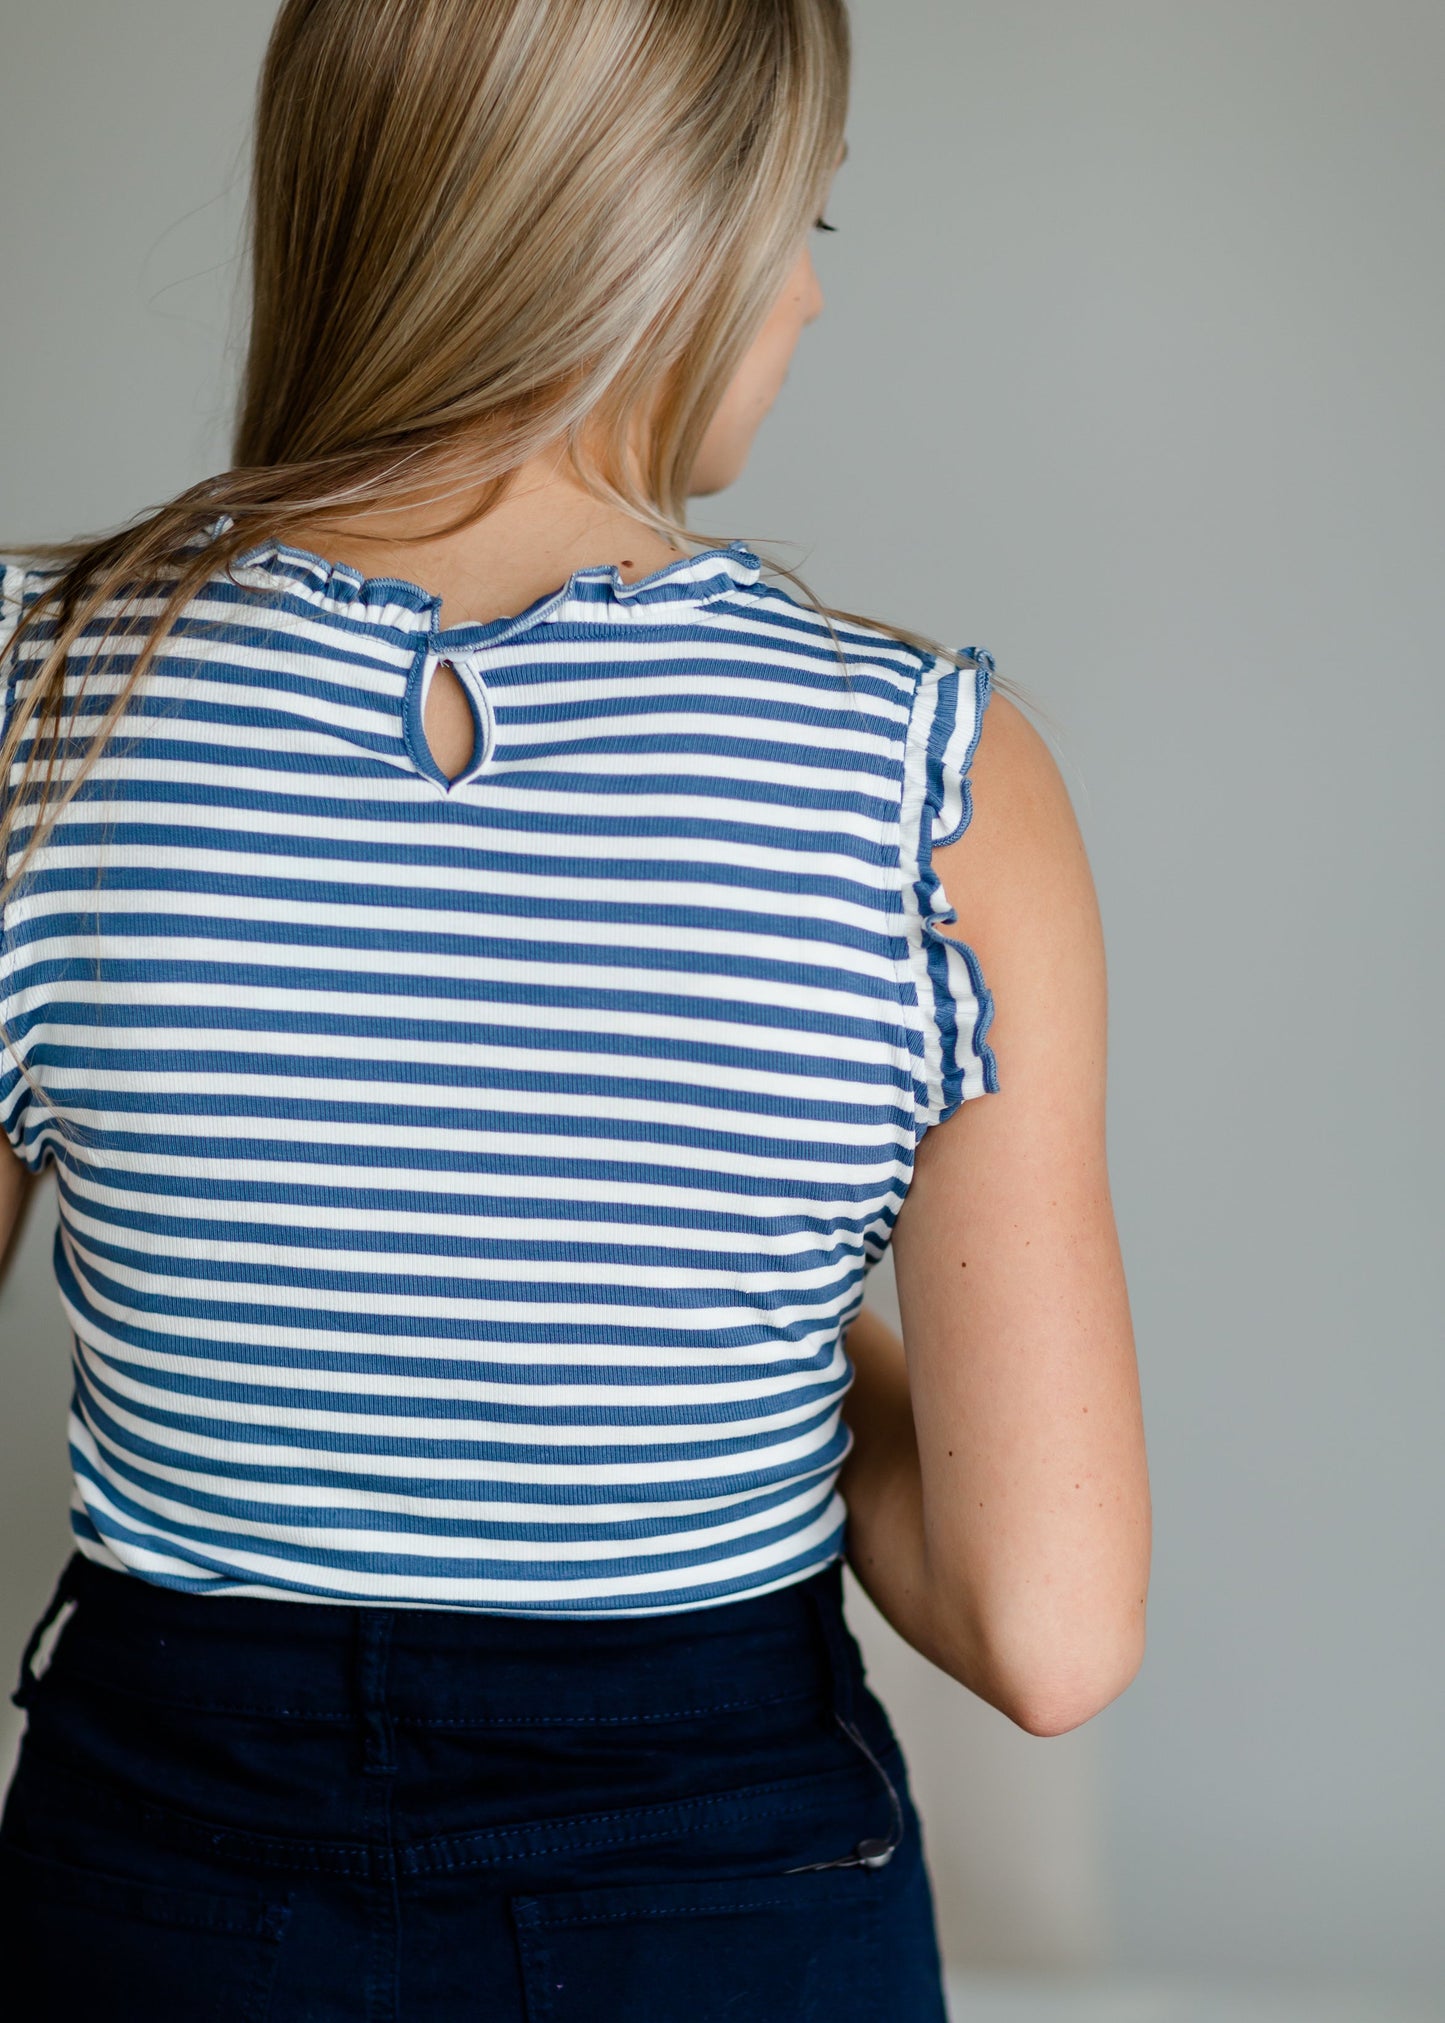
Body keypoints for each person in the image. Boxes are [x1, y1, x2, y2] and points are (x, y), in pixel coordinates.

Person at [0, 2, 1150, 2015]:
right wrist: (753, 1316)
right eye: (803, 222)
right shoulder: (935, 785)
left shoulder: (44, 695)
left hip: (161, 1877)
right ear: (667, 246)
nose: (801, 295)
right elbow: (1045, 1623)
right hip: (725, 1887)